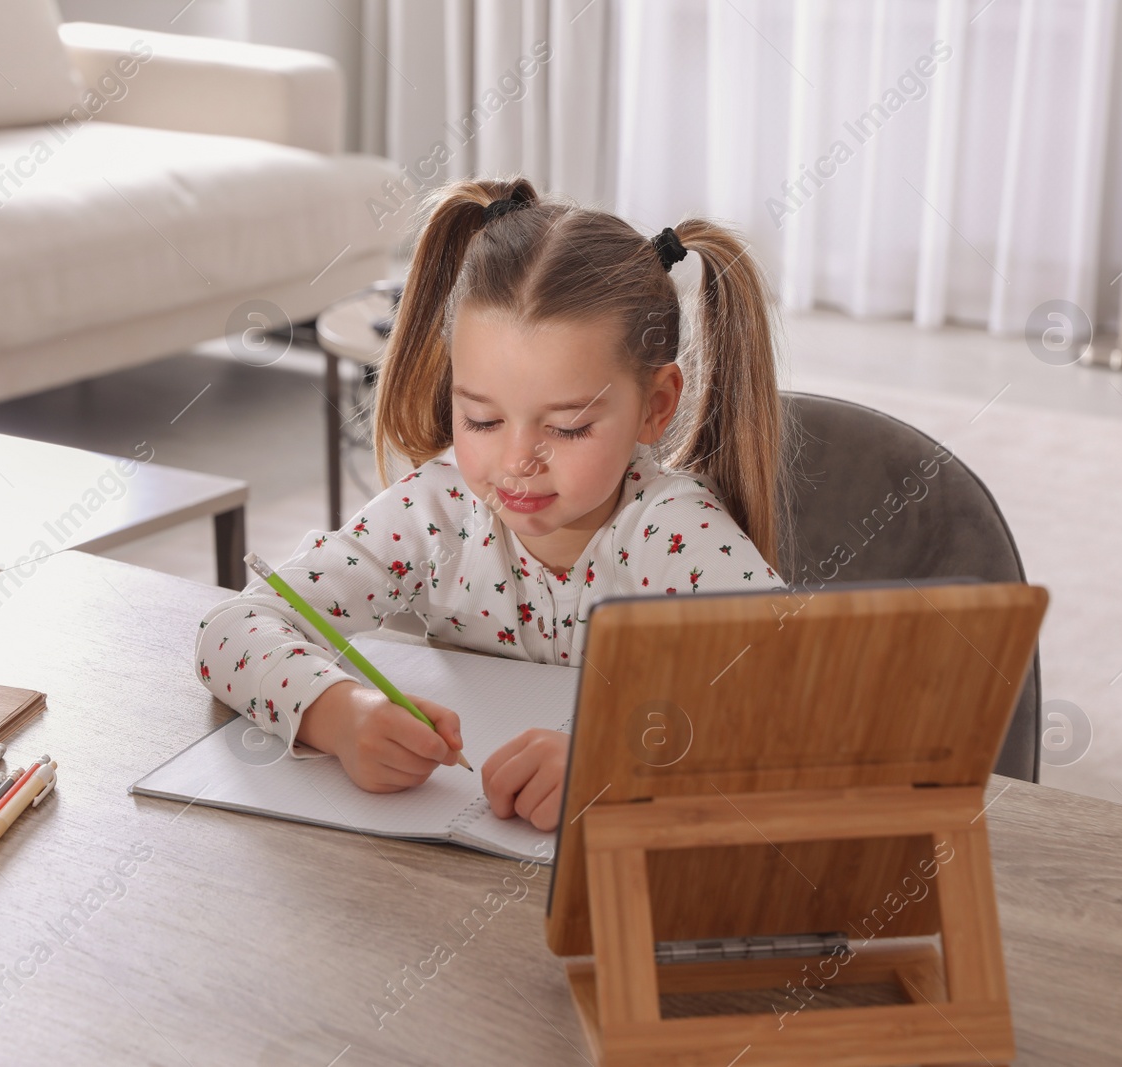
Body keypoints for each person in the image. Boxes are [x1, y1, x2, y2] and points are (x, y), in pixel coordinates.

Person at [195, 175, 787, 831]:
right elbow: (230, 632)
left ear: (655, 406)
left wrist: (622, 758)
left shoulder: (671, 530)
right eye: (482, 419)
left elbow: (806, 687)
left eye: (567, 428)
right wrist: (338, 713)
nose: (517, 463)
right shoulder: (437, 511)